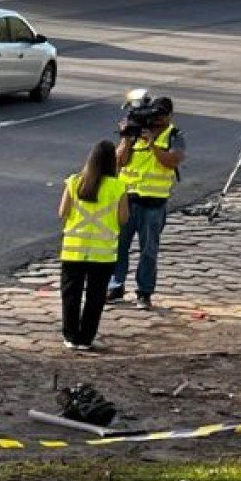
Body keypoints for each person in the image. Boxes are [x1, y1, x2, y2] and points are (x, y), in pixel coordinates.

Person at [108, 91, 184, 307]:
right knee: (118, 247)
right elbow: (119, 162)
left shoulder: (173, 135)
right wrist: (126, 139)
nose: (155, 121)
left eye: (159, 117)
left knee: (148, 251)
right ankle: (115, 286)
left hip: (154, 203)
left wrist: (152, 144)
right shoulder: (135, 132)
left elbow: (172, 161)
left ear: (169, 116)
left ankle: (144, 292)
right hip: (128, 200)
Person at [58, 140, 128, 350]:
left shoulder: (74, 182)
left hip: (74, 249)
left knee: (71, 294)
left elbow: (62, 212)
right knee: (95, 296)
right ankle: (86, 338)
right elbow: (123, 219)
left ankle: (70, 336)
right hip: (103, 253)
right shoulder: (118, 186)